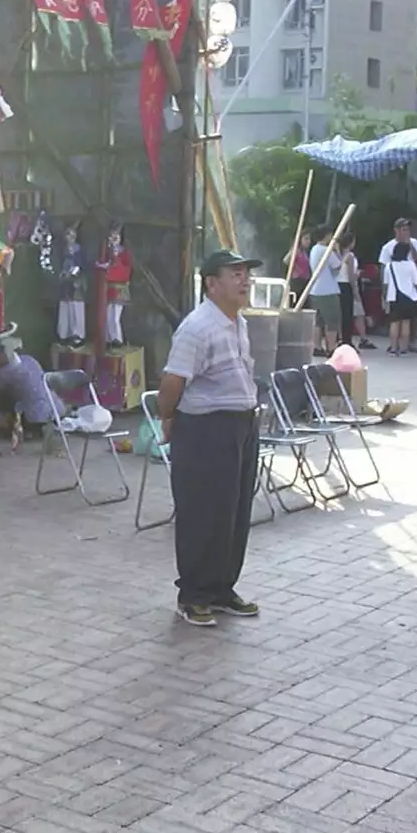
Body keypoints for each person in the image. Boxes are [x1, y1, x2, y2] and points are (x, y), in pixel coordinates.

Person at [157, 249, 263, 628]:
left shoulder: (238, 323)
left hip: (241, 425)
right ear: (211, 283)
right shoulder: (197, 327)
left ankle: (222, 589)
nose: (244, 281)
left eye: (246, 274)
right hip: (206, 429)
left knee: (233, 512)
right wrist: (168, 418)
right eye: (235, 274)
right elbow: (173, 381)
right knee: (202, 512)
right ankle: (195, 595)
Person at [379, 218, 417, 352]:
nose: (406, 232)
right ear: (396, 230)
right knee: (397, 319)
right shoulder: (388, 247)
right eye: (404, 230)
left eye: (408, 230)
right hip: (396, 288)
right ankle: (396, 343)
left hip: (410, 286)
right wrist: (384, 292)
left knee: (411, 319)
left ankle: (410, 342)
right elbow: (384, 269)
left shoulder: (414, 243)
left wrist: (411, 246)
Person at [307, 224, 344, 354]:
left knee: (318, 321)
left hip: (315, 289)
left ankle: (316, 346)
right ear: (327, 235)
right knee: (332, 321)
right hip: (328, 290)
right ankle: (331, 347)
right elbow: (337, 266)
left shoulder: (314, 249)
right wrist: (337, 251)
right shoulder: (326, 250)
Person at [336, 231, 372, 350]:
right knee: (348, 315)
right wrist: (356, 290)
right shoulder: (350, 256)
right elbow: (351, 276)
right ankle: (347, 340)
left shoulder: (338, 254)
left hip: (338, 285)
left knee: (342, 314)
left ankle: (341, 338)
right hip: (347, 285)